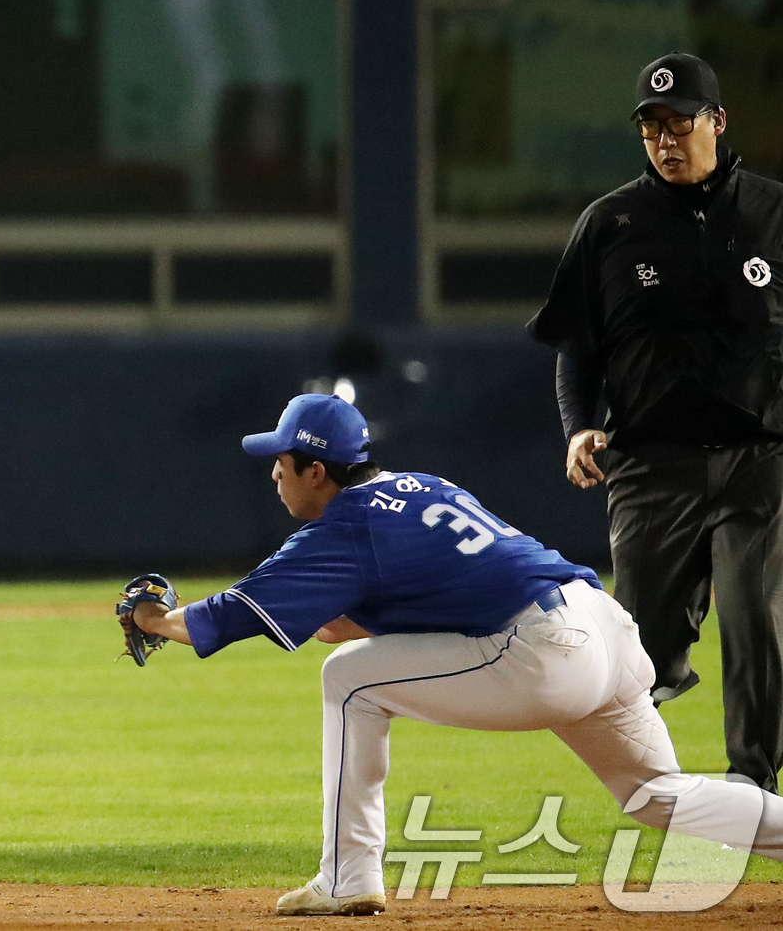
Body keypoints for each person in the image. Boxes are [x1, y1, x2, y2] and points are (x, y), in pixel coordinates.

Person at [123, 393, 783, 916]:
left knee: (351, 683)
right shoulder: (419, 487)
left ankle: (348, 878)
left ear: (315, 471)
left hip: (542, 651)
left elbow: (236, 613)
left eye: (281, 461)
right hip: (602, 624)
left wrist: (151, 616)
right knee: (655, 793)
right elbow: (352, 617)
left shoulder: (345, 527)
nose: (273, 473)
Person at [527, 52, 783, 793]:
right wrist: (578, 426)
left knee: (757, 618)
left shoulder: (773, 214)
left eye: (680, 123)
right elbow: (576, 345)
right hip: (650, 462)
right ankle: (655, 761)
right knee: (638, 647)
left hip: (758, 457)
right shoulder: (609, 224)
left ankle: (754, 787)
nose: (666, 139)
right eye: (651, 126)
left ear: (718, 122)